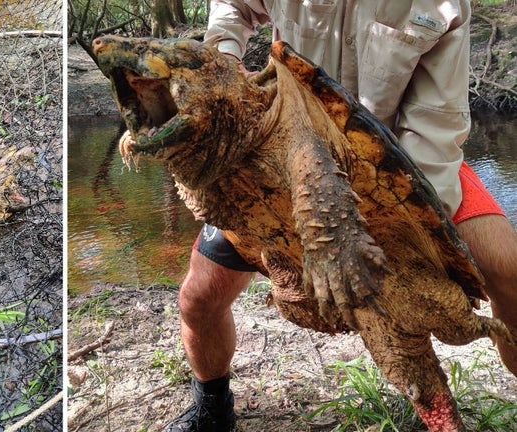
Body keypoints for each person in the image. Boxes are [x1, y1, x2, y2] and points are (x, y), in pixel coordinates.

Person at [168, 1, 517, 431]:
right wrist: (223, 58)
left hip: (398, 158)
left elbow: (434, 127)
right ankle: (212, 407)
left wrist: (401, 231)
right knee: (199, 297)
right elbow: (233, 6)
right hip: (280, 151)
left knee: (510, 273)